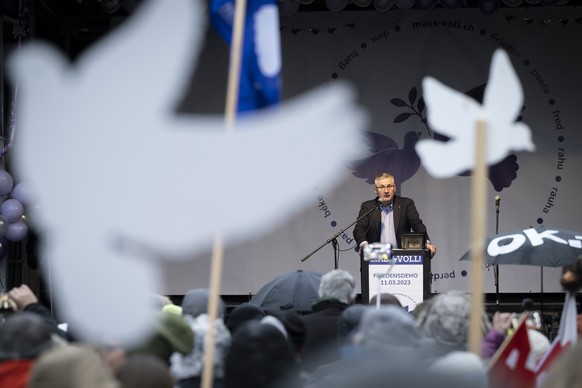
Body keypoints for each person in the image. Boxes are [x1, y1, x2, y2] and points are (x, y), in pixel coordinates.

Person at [353, 172, 435, 303]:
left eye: (389, 186)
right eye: (381, 187)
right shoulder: (368, 207)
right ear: (376, 190)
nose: (386, 190)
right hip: (377, 259)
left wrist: (427, 242)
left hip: (402, 260)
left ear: (394, 188)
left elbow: (417, 224)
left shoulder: (406, 204)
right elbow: (359, 228)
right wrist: (364, 245)